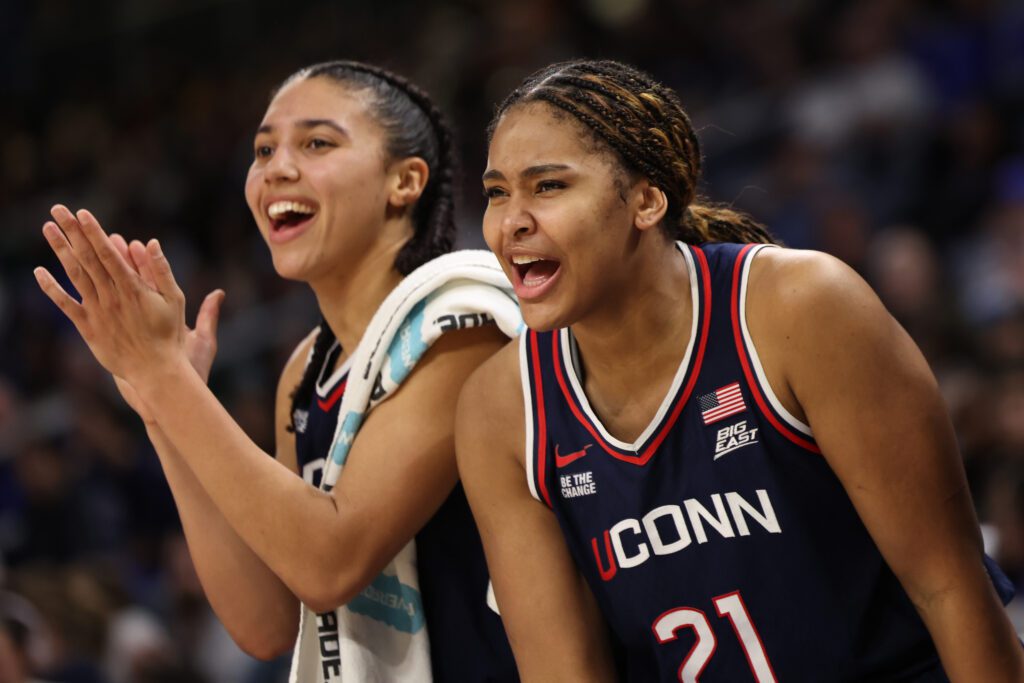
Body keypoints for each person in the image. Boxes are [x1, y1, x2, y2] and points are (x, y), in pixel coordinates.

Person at [456, 59, 1024, 682]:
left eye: (548, 187)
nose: (511, 222)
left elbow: (949, 590)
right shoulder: (502, 408)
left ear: (645, 201)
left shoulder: (800, 308)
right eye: (496, 192)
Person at [34, 60, 518, 682]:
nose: (276, 168)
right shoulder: (305, 373)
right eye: (263, 150)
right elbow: (266, 624)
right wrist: (160, 408)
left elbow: (329, 564)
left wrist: (166, 379)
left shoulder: (461, 324)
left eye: (317, 142)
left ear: (405, 181)